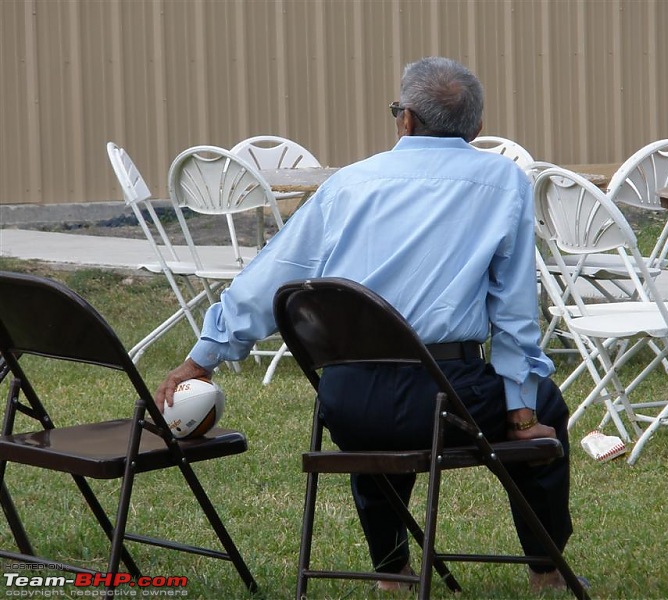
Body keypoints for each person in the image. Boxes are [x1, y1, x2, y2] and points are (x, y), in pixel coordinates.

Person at [156, 56, 574, 592]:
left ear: (405, 119)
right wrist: (521, 415)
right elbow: (514, 312)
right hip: (444, 403)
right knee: (547, 406)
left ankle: (392, 572)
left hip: (346, 404)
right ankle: (545, 570)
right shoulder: (504, 182)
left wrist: (201, 359)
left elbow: (267, 282)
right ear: (477, 129)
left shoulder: (346, 184)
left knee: (370, 393)